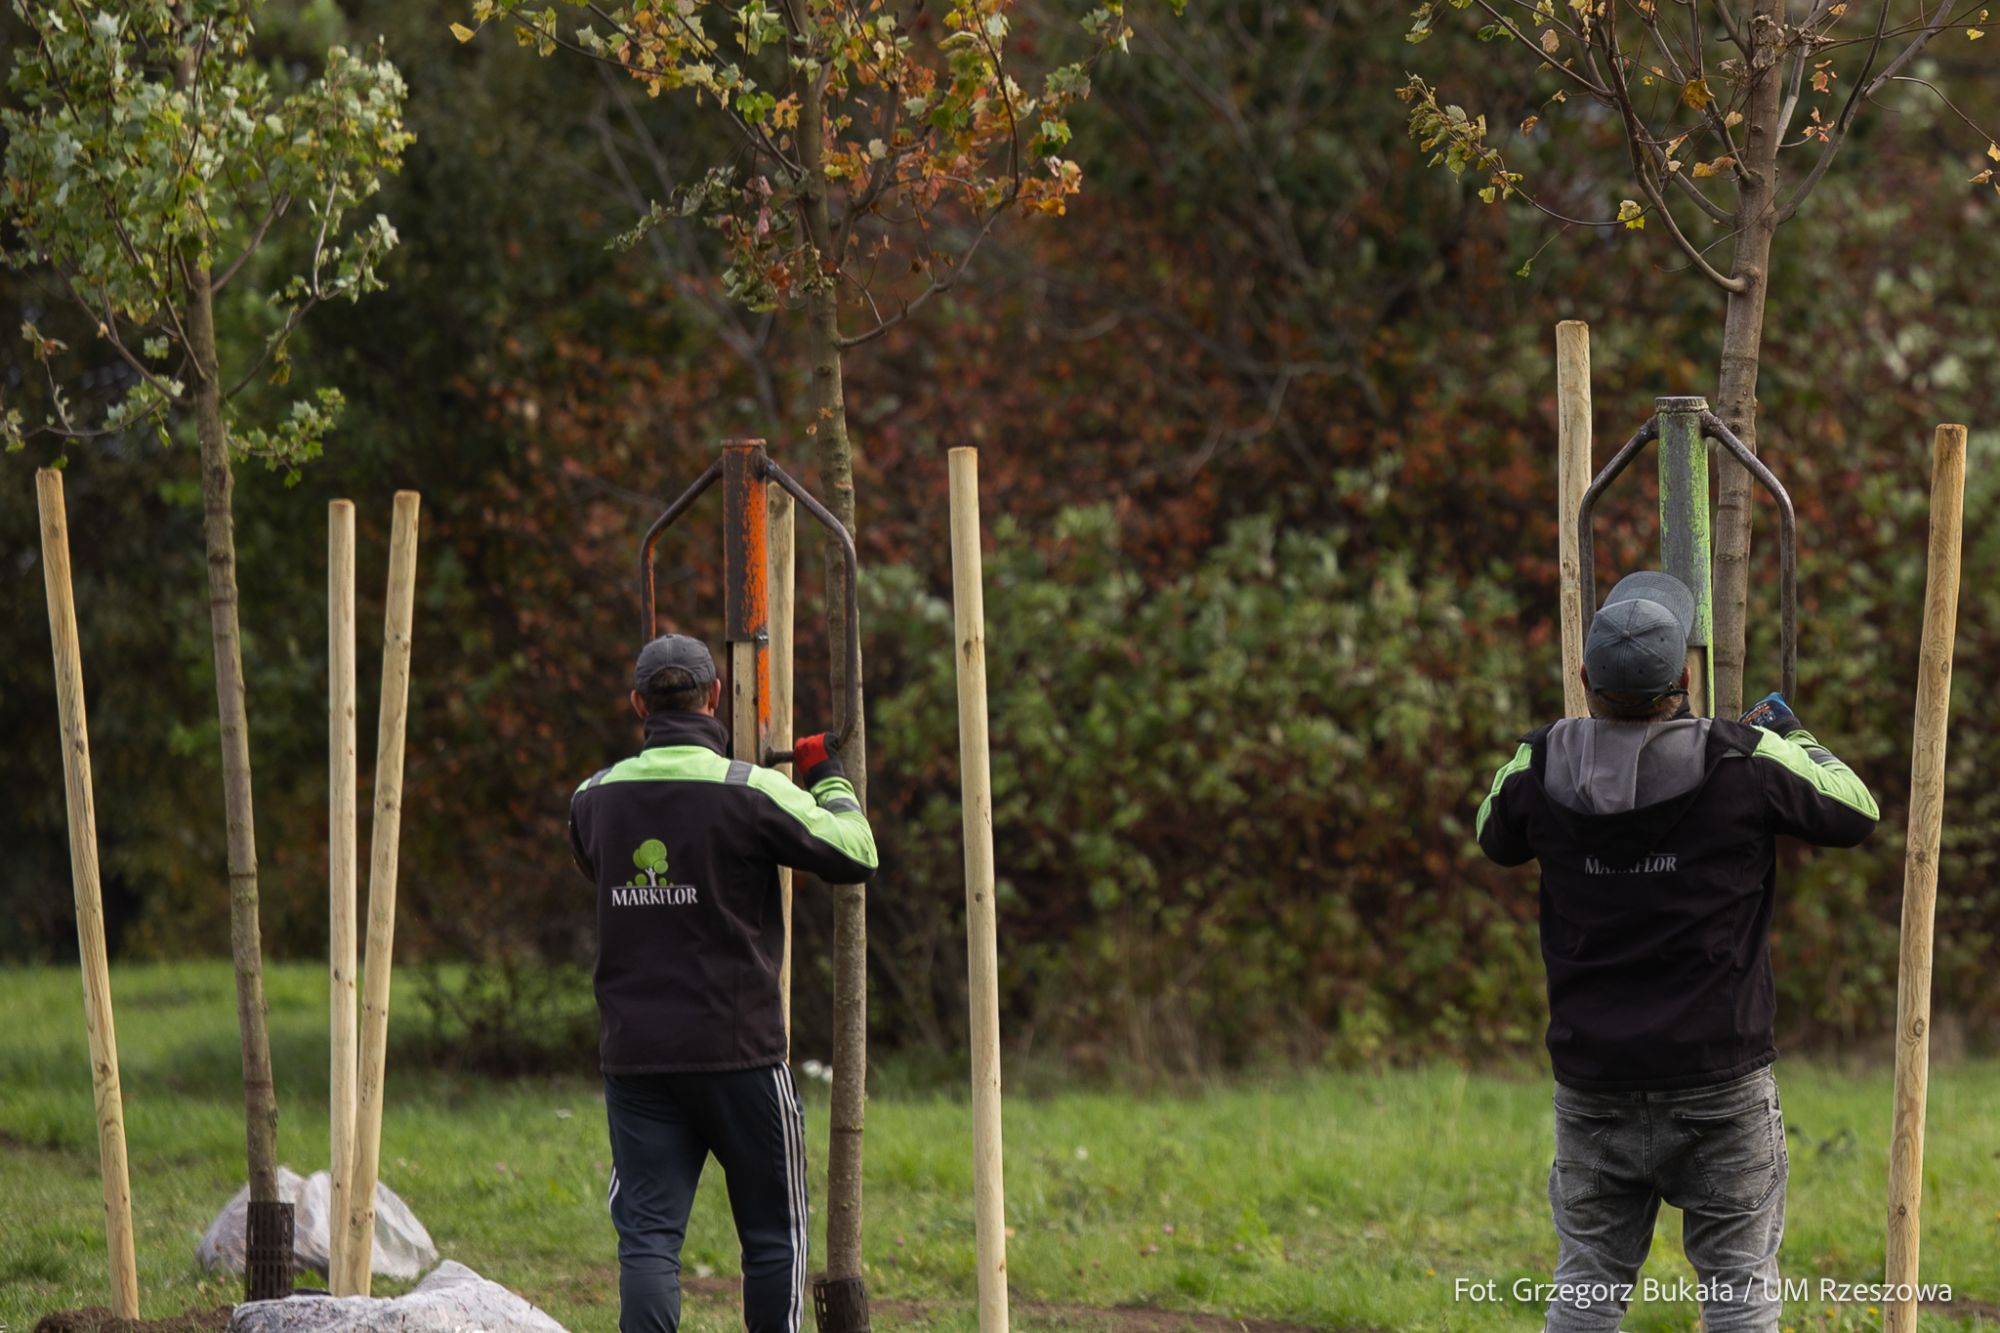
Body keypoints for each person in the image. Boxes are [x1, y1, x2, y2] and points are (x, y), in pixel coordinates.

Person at [1476, 571, 1878, 1333]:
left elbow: (1490, 828)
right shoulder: (1746, 759)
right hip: (1720, 1081)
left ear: (1586, 677)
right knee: (1740, 1295)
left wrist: (1565, 737)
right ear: (1686, 677)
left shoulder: (1541, 764)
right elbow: (1857, 808)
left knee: (1586, 1290)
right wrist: (1791, 733)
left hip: (1594, 1081)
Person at [569, 633, 879, 1333]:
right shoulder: (751, 790)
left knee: (647, 1238)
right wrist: (827, 774)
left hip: (637, 1057)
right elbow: (856, 854)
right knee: (773, 1235)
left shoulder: (592, 798)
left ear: (638, 704)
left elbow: (600, 871)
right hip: (741, 1054)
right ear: (713, 697)